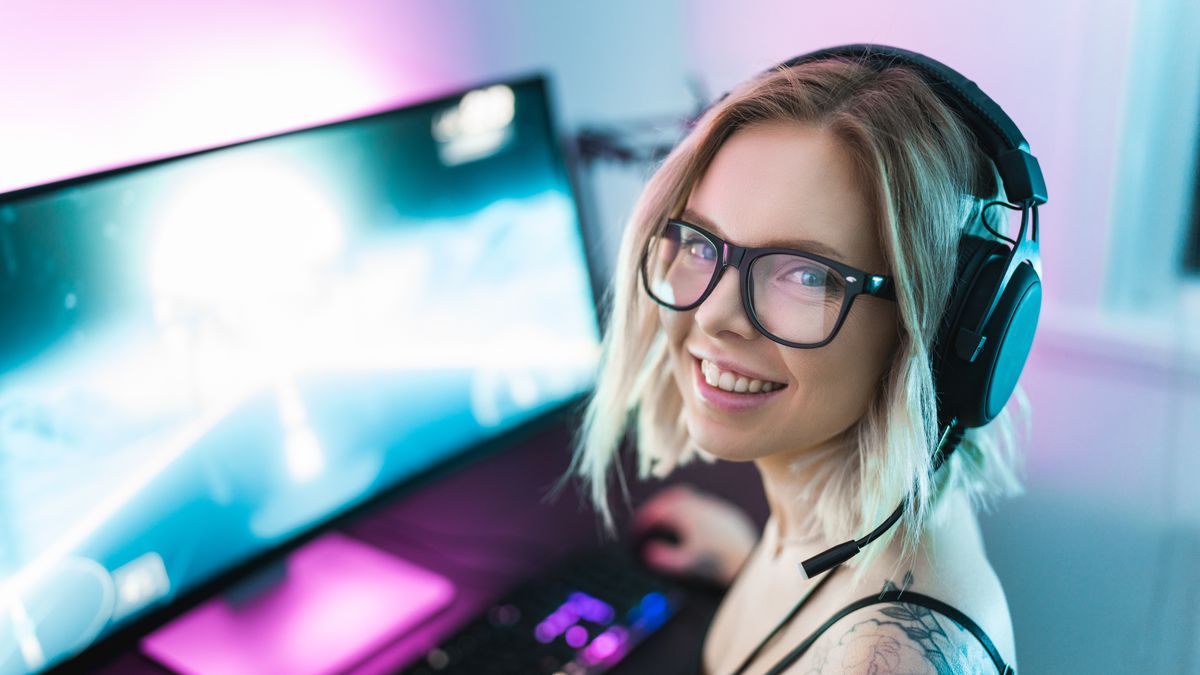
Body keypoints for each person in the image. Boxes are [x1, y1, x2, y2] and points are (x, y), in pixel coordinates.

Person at [559, 46, 1036, 674]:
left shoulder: (888, 660)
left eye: (807, 275)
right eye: (701, 242)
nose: (712, 315)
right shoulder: (833, 528)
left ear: (937, 327)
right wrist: (751, 558)